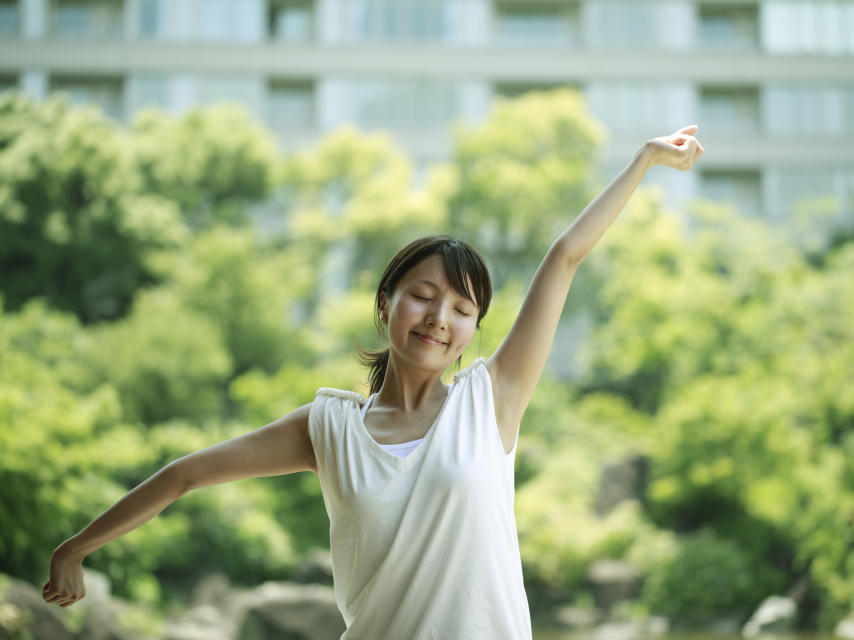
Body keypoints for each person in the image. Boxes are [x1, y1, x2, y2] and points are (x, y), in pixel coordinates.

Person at [42, 125, 704, 637]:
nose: (439, 318)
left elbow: (564, 257)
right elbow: (183, 475)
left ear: (473, 328)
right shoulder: (327, 428)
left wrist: (643, 162)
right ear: (385, 304)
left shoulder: (492, 399)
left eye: (462, 309)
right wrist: (76, 548)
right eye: (422, 296)